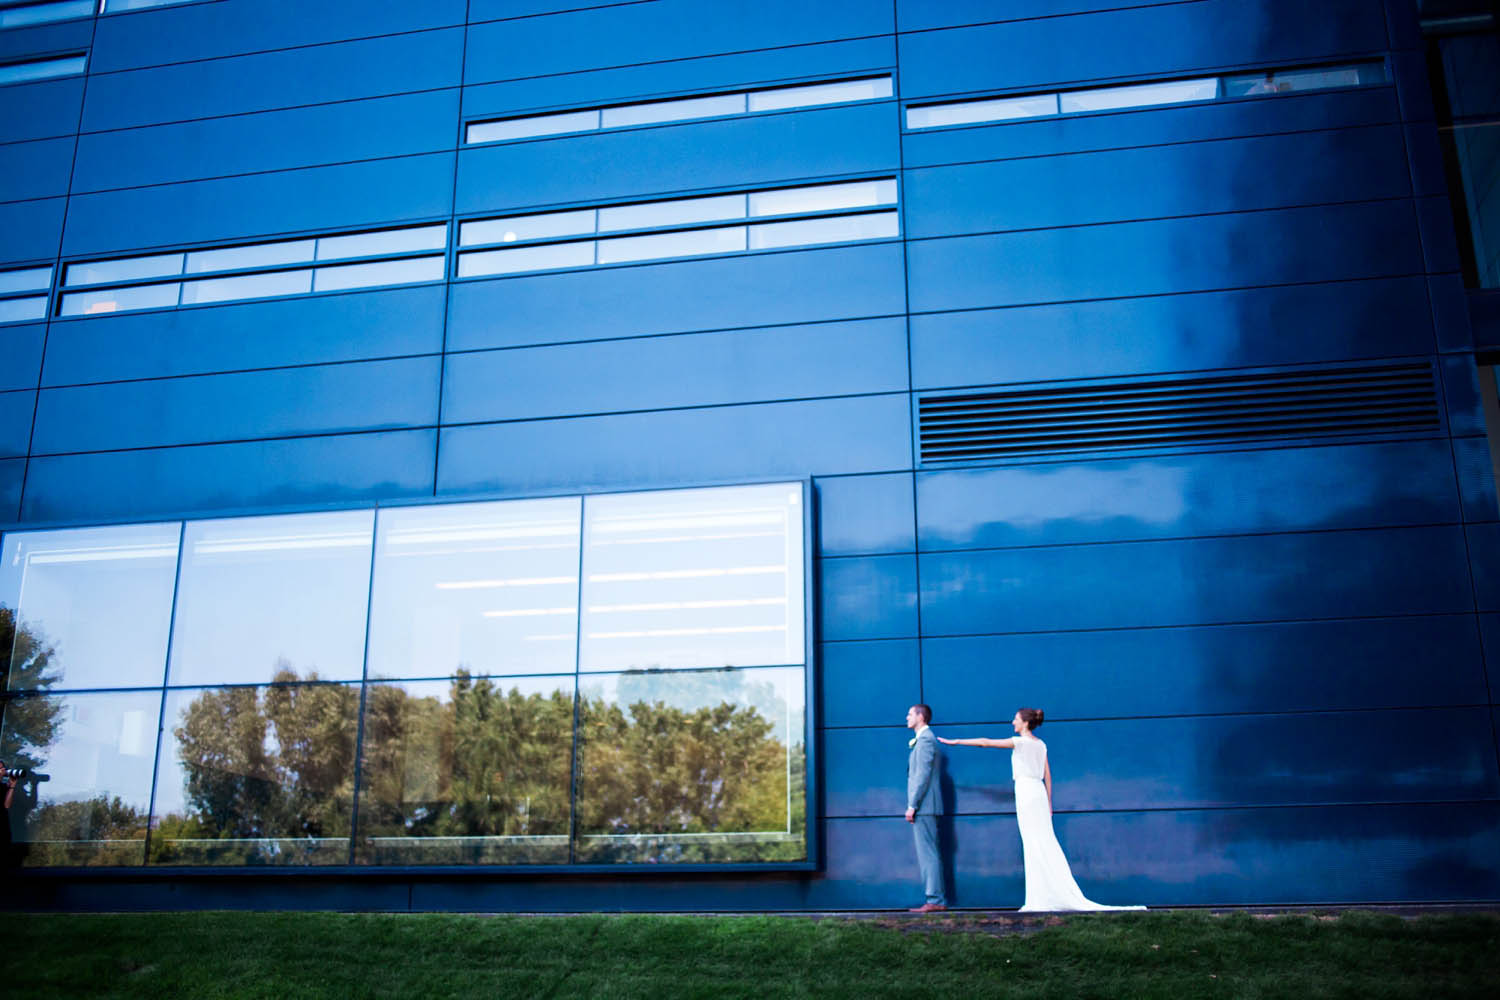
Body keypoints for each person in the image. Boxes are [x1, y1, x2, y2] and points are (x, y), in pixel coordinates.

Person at [939, 708, 1143, 912]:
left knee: (1033, 843)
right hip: (1038, 794)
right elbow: (1048, 776)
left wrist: (957, 741)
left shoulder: (1020, 742)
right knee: (1043, 840)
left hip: (1027, 793)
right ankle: (1042, 894)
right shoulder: (1041, 745)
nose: (1013, 722)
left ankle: (1040, 897)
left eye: (1016, 719)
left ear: (1025, 723)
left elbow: (985, 742)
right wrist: (1049, 803)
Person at [904, 703, 946, 913]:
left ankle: (935, 900)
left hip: (925, 806)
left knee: (928, 854)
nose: (906, 717)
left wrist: (912, 805)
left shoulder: (926, 740)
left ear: (921, 717)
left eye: (910, 714)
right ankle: (935, 899)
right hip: (927, 806)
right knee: (929, 853)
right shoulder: (924, 740)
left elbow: (922, 776)